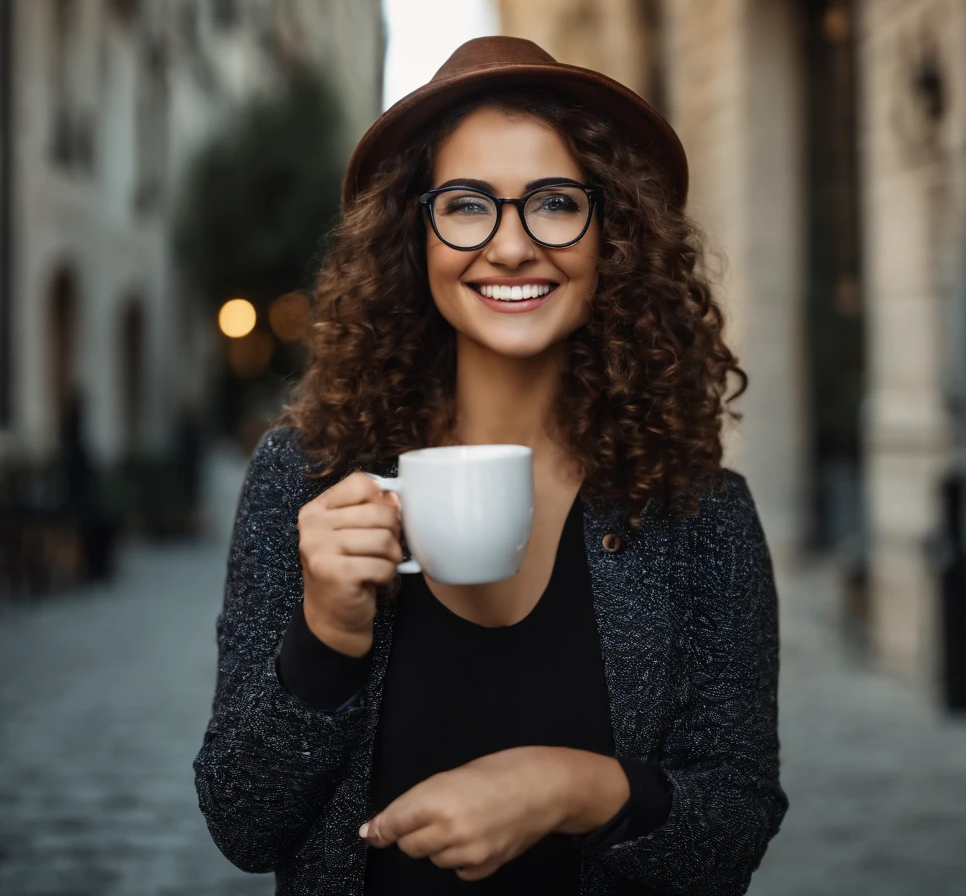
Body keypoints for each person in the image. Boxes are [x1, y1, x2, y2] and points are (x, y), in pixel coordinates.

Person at [193, 37, 788, 895]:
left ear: (612, 235)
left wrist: (573, 789)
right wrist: (325, 637)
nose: (510, 248)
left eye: (553, 203)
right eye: (467, 206)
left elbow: (731, 830)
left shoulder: (696, 513)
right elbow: (243, 824)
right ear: (414, 236)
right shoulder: (306, 479)